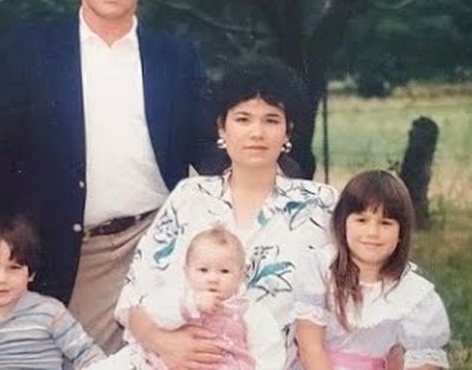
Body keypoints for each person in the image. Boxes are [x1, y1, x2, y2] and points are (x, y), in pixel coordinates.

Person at [0, 0, 226, 354]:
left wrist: (275, 177)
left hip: (155, 242)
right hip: (65, 247)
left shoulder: (175, 56)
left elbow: (210, 145)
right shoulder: (29, 51)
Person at [114, 56, 338, 369]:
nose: (257, 132)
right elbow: (134, 300)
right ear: (222, 126)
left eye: (271, 120)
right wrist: (165, 344)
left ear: (288, 131)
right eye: (243, 119)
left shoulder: (322, 205)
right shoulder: (189, 198)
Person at [294, 170, 451, 370]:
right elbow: (310, 347)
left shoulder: (414, 294)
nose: (372, 232)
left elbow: (424, 363)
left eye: (385, 223)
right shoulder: (321, 270)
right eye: (362, 220)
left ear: (401, 232)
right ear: (343, 223)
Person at [0, 214, 107, 369]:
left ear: (31, 273)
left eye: (13, 268)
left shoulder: (50, 313)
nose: (1, 279)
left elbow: (86, 353)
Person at [138, 226, 285, 369]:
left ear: (241, 276)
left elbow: (269, 350)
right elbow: (153, 315)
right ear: (187, 272)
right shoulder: (178, 299)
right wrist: (192, 304)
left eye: (224, 271)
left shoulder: (248, 311)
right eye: (203, 270)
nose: (213, 278)